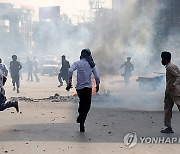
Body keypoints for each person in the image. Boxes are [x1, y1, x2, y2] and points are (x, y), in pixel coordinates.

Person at [66, 49, 100, 132]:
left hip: (79, 89)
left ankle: (81, 119)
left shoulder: (77, 63)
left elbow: (70, 70)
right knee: (87, 105)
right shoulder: (91, 64)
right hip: (87, 88)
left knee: (82, 102)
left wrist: (69, 83)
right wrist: (97, 85)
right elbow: (97, 76)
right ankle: (81, 118)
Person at [161, 51, 180, 133]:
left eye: (162, 59)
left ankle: (168, 127)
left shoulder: (169, 67)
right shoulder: (173, 66)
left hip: (173, 91)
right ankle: (168, 127)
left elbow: (178, 76)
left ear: (164, 59)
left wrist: (174, 85)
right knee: (167, 108)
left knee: (169, 109)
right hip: (171, 91)